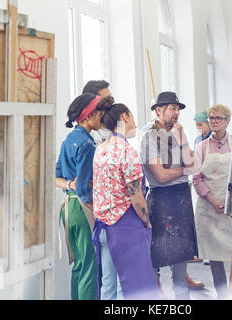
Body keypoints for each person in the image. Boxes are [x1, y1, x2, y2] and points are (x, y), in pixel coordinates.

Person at [92, 96, 159, 300]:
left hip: (103, 226)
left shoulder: (100, 150)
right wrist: (147, 222)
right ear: (124, 117)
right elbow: (136, 197)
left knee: (109, 285)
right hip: (125, 226)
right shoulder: (126, 151)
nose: (135, 122)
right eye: (132, 116)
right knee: (130, 288)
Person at [140, 91, 200, 300]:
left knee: (181, 261)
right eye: (172, 108)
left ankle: (182, 298)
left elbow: (194, 164)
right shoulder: (149, 138)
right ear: (158, 110)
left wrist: (182, 139)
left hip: (182, 200)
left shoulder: (178, 134)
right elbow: (162, 175)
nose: (176, 113)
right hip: (162, 201)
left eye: (178, 109)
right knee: (156, 259)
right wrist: (184, 170)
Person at [192, 104, 232, 299]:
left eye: (219, 118)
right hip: (209, 210)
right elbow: (197, 179)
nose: (214, 121)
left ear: (227, 121)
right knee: (215, 258)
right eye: (211, 117)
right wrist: (213, 200)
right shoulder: (201, 147)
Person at [55, 93, 104, 300]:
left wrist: (68, 185)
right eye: (99, 113)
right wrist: (102, 213)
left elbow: (56, 177)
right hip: (83, 209)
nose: (102, 117)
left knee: (80, 265)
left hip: (69, 208)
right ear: (87, 116)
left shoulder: (69, 140)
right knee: (90, 267)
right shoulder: (87, 144)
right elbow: (85, 189)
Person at [82, 80, 113, 144]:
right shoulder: (89, 134)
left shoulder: (112, 121)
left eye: (111, 97)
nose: (111, 102)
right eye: (107, 99)